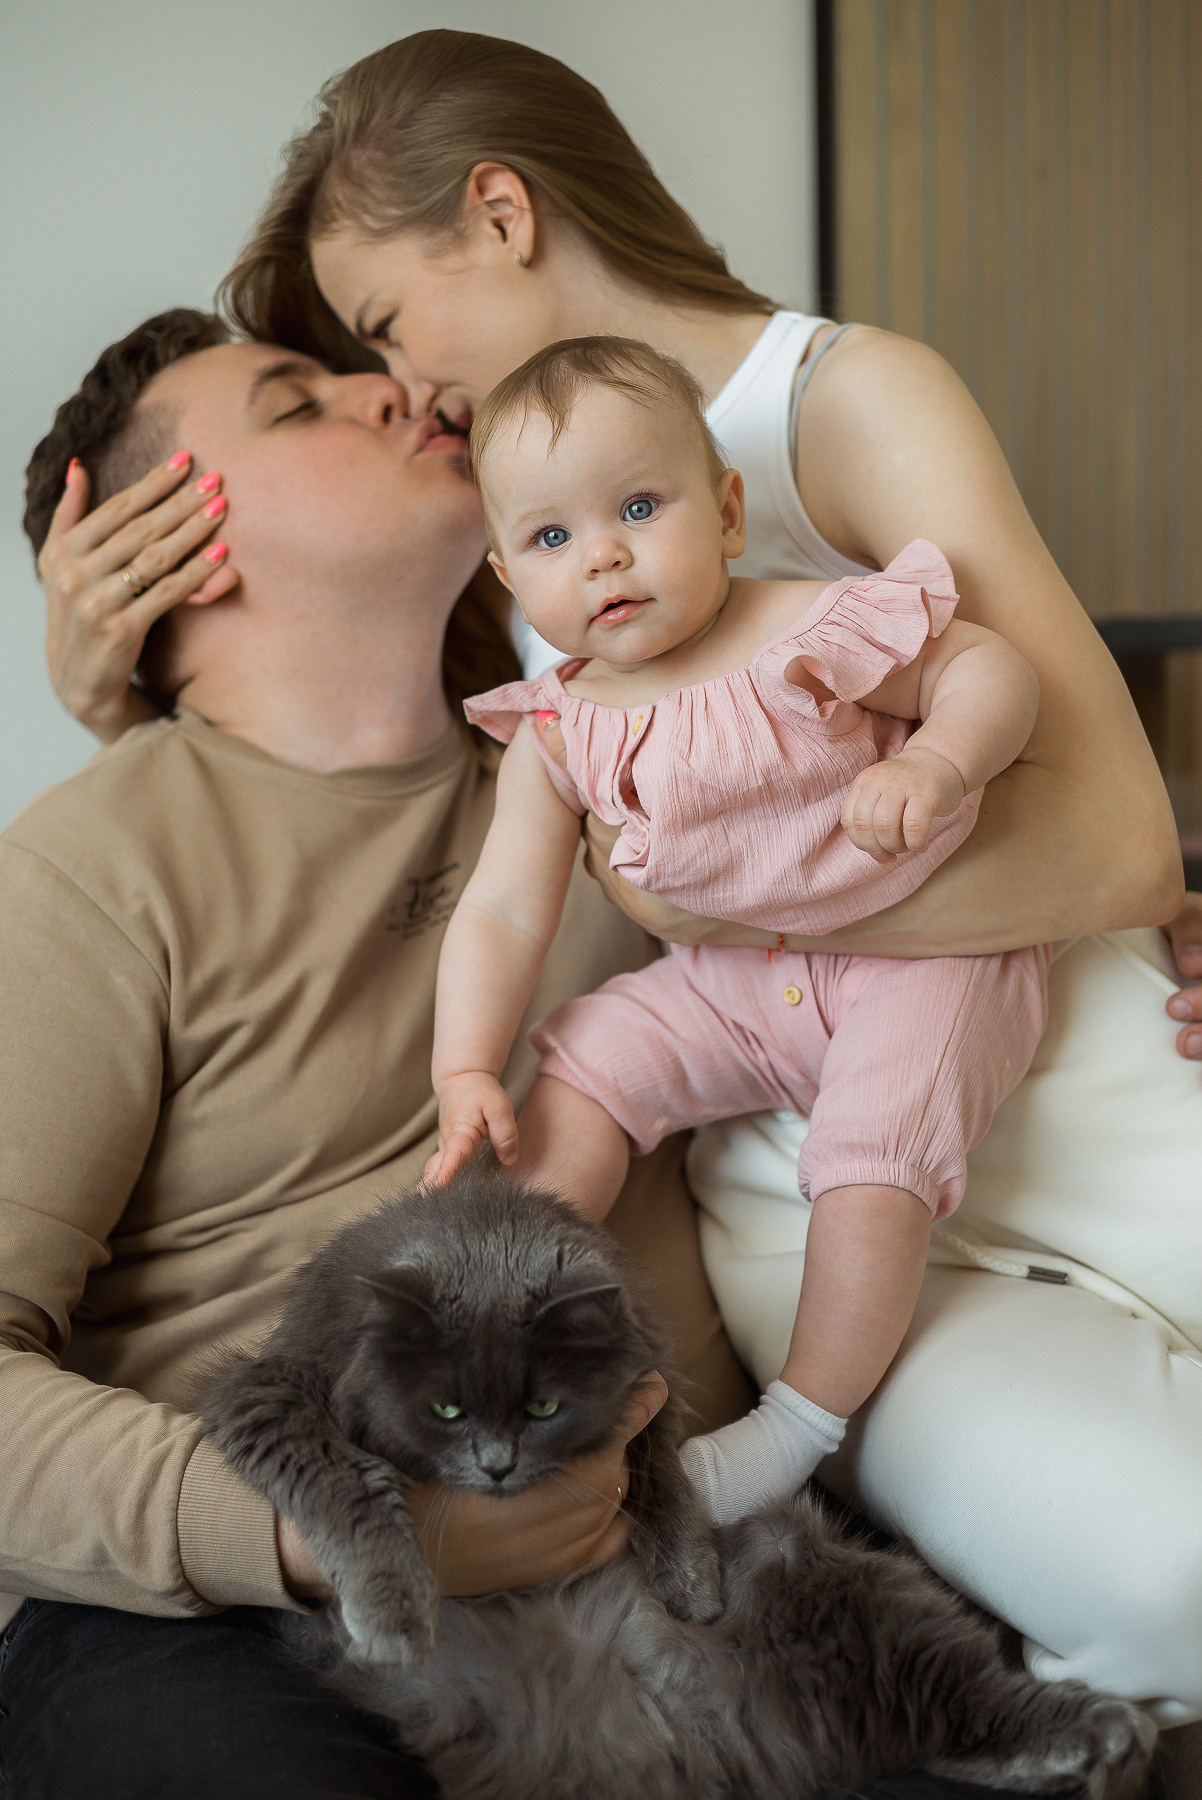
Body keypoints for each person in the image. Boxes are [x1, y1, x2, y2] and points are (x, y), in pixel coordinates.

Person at [29, 21, 1202, 1761]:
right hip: (744, 1242)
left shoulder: (747, 479)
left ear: (499, 217)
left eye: (380, 338)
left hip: (982, 1085)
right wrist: (115, 697)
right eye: (334, 376)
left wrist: (794, 884)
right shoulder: (481, 631)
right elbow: (280, 763)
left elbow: (1081, 807)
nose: (404, 393)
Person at [0, 309, 756, 1800]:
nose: (393, 388)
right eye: (299, 402)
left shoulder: (625, 795)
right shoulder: (91, 872)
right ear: (168, 542)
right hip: (246, 1618)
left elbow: (900, 926)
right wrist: (313, 1529)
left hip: (683, 1581)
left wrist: (1136, 931)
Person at [427, 333, 1049, 1527]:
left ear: (723, 511)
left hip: (915, 962)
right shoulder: (559, 727)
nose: (602, 553)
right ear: (510, 576)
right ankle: (494, 1311)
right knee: (586, 1061)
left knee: (870, 1161)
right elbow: (503, 906)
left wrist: (936, 757)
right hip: (723, 981)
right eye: (551, 538)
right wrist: (464, 1065)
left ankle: (796, 1425)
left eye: (639, 505)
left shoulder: (814, 631)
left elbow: (992, 669)